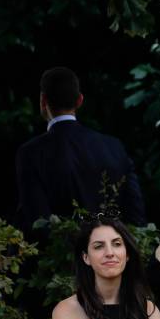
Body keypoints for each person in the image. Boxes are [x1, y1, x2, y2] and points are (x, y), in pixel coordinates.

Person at [15, 66, 145, 235]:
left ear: (43, 101)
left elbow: (38, 223)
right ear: (80, 100)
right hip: (110, 256)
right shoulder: (114, 147)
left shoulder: (31, 153)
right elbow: (136, 218)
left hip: (58, 258)